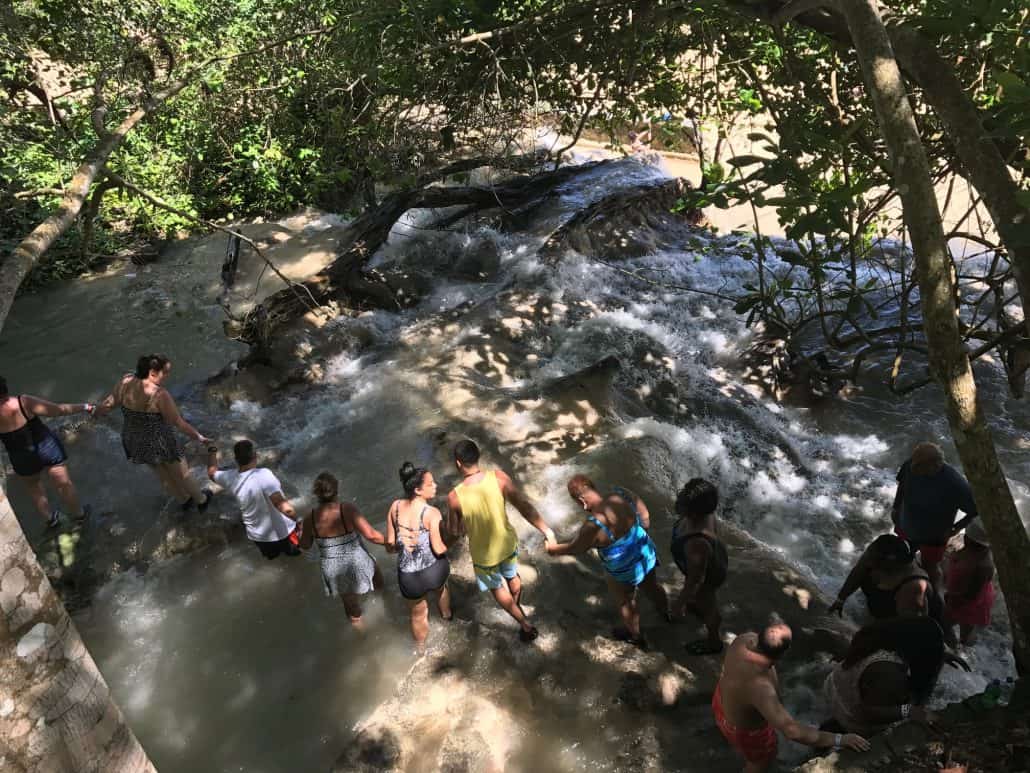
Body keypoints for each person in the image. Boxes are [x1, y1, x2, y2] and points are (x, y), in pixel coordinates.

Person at [714, 620, 869, 771]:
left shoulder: (743, 640)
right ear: (782, 654)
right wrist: (840, 739)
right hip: (746, 732)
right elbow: (792, 731)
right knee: (758, 764)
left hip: (721, 703)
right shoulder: (761, 688)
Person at [447, 439, 556, 643]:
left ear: (458, 463)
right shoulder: (498, 478)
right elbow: (524, 507)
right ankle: (516, 607)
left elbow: (454, 531)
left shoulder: (454, 497)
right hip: (506, 543)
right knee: (512, 576)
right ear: (477, 457)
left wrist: (443, 544)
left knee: (497, 589)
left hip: (484, 555)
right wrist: (546, 530)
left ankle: (524, 623)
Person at [547, 474, 669, 649]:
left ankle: (636, 636)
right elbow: (642, 510)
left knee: (626, 601)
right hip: (645, 552)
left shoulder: (593, 525)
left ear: (582, 501)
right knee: (652, 586)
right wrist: (642, 526)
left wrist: (553, 550)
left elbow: (576, 548)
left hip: (623, 569)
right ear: (594, 488)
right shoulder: (619, 495)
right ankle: (666, 613)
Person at [96, 354, 211, 512]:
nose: (168, 376)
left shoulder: (125, 381)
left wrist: (92, 410)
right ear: (152, 373)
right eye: (166, 372)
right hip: (160, 440)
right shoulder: (158, 394)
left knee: (161, 473)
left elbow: (108, 405)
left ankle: (183, 500)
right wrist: (199, 437)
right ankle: (201, 500)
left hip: (134, 438)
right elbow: (177, 422)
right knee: (181, 473)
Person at [824, 616, 968, 736]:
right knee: (914, 701)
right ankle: (841, 729)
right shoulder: (890, 672)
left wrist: (939, 655)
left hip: (835, 686)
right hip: (853, 714)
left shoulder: (879, 637)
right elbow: (869, 711)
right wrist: (909, 711)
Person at [0, 375, 93, 528]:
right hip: (45, 446)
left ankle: (51, 519)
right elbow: (58, 410)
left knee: (34, 487)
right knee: (63, 483)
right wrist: (85, 406)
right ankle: (79, 515)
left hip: (20, 456)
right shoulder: (23, 402)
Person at [299, 472, 384, 628]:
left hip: (333, 568)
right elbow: (371, 535)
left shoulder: (309, 518)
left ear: (316, 494)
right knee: (377, 578)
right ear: (336, 490)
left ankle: (362, 635)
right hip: (356, 560)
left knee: (351, 607)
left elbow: (304, 545)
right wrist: (389, 543)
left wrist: (301, 533)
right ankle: (385, 607)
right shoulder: (347, 509)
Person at [891, 442, 978, 594]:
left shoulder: (955, 483)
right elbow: (902, 485)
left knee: (930, 566)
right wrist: (896, 507)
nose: (913, 469)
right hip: (906, 524)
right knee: (905, 556)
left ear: (935, 465)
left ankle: (935, 596)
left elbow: (975, 510)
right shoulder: (911, 465)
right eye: (913, 464)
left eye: (919, 467)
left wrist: (955, 529)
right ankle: (907, 585)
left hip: (934, 535)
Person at [385, 463, 452, 651]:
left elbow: (390, 545)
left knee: (418, 614)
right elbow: (439, 550)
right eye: (431, 484)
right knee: (441, 589)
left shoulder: (395, 507)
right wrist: (455, 537)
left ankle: (421, 650)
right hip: (434, 571)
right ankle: (447, 618)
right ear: (417, 489)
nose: (436, 485)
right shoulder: (432, 513)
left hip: (409, 577)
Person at [206, 440, 301, 560]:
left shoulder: (229, 477)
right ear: (255, 456)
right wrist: (299, 521)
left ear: (236, 460)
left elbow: (211, 472)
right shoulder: (264, 474)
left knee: (273, 557)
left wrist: (212, 450)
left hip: (259, 537)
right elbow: (282, 506)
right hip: (284, 532)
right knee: (295, 554)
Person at [671, 477, 729, 655]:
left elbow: (696, 580)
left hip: (708, 576)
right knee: (699, 598)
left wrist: (679, 604)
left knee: (709, 606)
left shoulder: (697, 543)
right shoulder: (706, 513)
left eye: (684, 504)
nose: (679, 500)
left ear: (695, 512)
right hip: (710, 563)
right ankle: (696, 604)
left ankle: (714, 642)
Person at [829, 534, 940, 621]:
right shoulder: (876, 553)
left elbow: (910, 632)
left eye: (874, 563)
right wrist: (841, 599)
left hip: (900, 622)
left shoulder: (913, 589)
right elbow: (859, 571)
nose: (869, 564)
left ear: (891, 563)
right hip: (881, 611)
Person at [944, 520, 995, 646]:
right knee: (966, 624)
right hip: (969, 597)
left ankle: (958, 646)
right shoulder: (977, 552)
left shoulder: (984, 566)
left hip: (969, 602)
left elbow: (972, 595)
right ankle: (964, 642)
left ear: (969, 539)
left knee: (946, 623)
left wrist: (952, 597)